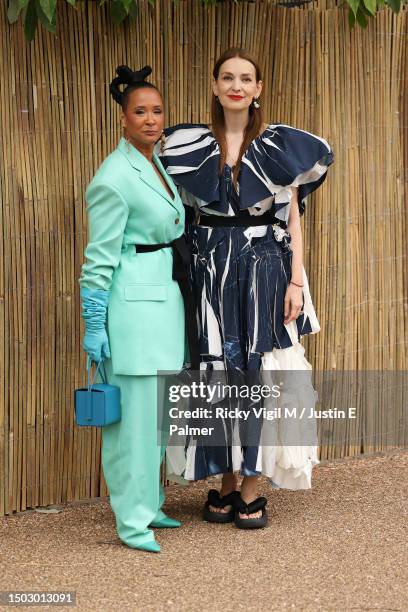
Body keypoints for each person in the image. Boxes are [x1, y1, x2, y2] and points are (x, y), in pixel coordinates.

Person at [159, 47, 334, 528]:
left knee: (261, 371)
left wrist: (296, 280)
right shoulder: (189, 144)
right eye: (227, 77)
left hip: (265, 270)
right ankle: (227, 479)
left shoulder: (279, 147)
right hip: (209, 273)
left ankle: (254, 482)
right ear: (215, 86)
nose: (237, 85)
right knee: (217, 369)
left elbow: (292, 220)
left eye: (246, 78)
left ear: (258, 90)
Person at [78, 65, 193, 552]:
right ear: (122, 119)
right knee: (131, 424)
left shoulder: (153, 163)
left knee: (157, 418)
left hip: (162, 301)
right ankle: (131, 520)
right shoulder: (113, 177)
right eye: (139, 112)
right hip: (131, 309)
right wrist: (94, 321)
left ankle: (151, 503)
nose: (150, 119)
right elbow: (98, 257)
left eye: (157, 110)